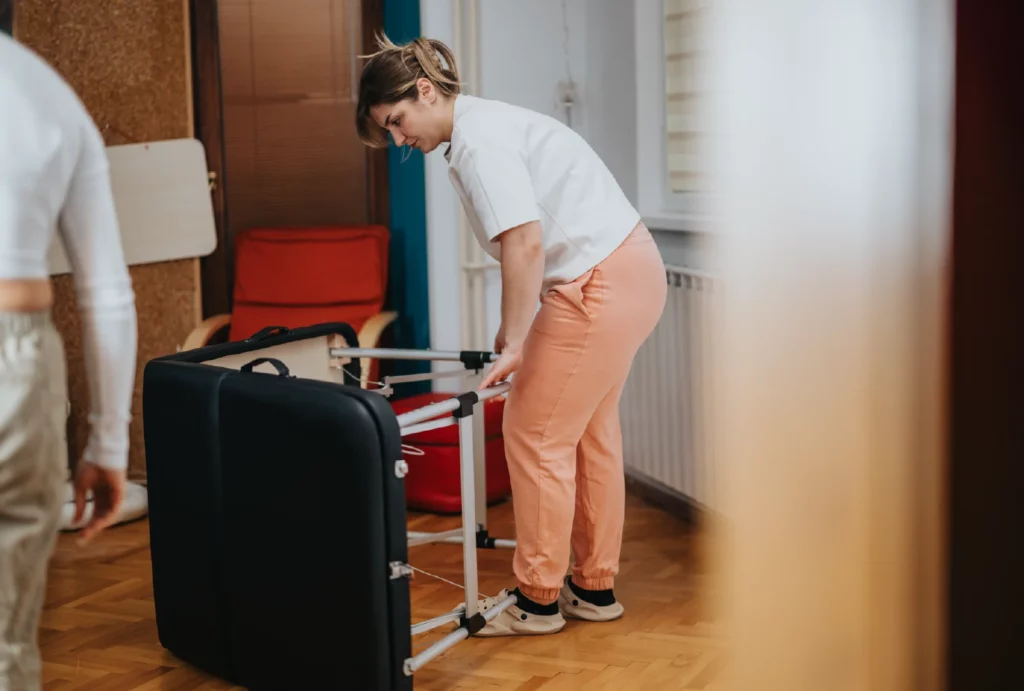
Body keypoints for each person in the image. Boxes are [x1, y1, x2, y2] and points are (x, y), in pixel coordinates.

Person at [356, 34, 668, 636]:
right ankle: (593, 587)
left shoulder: (479, 141)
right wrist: (516, 329)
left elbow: (524, 244)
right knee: (589, 434)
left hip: (597, 283)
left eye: (396, 121)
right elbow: (525, 245)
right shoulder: (487, 126)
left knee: (533, 433)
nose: (398, 140)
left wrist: (518, 342)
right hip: (630, 271)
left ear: (425, 91)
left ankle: (538, 600)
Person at [0, 33, 138, 687]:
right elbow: (106, 292)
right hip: (19, 362)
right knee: (7, 639)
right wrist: (108, 442)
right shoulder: (48, 94)